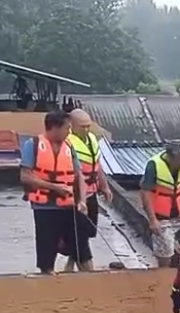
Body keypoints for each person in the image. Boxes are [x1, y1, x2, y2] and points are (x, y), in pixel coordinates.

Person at [20, 110, 91, 275]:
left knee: (82, 248)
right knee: (47, 251)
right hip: (45, 208)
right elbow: (25, 177)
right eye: (67, 128)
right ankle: (48, 282)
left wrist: (82, 201)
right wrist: (55, 188)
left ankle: (90, 280)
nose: (69, 131)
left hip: (69, 206)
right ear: (54, 128)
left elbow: (79, 175)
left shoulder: (69, 147)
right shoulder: (34, 145)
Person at [61, 109, 113, 272]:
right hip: (75, 196)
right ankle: (87, 269)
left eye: (88, 126)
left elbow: (97, 165)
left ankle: (71, 263)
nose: (86, 130)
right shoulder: (66, 143)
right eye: (82, 126)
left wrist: (104, 186)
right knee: (79, 235)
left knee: (89, 231)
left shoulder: (91, 139)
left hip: (92, 193)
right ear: (72, 125)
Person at [141, 140, 180, 267]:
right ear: (170, 157)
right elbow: (145, 192)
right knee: (165, 251)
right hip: (162, 217)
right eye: (179, 160)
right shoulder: (153, 165)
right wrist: (152, 220)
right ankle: (164, 275)